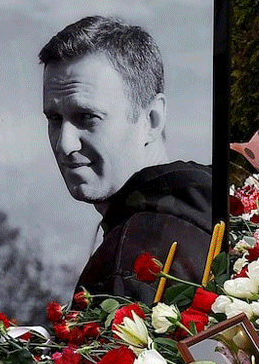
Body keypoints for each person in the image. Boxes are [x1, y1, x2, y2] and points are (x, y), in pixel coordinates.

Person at [39, 15, 215, 304]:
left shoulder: (130, 260)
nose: (64, 144)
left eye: (87, 117)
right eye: (55, 119)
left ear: (152, 119)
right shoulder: (214, 214)